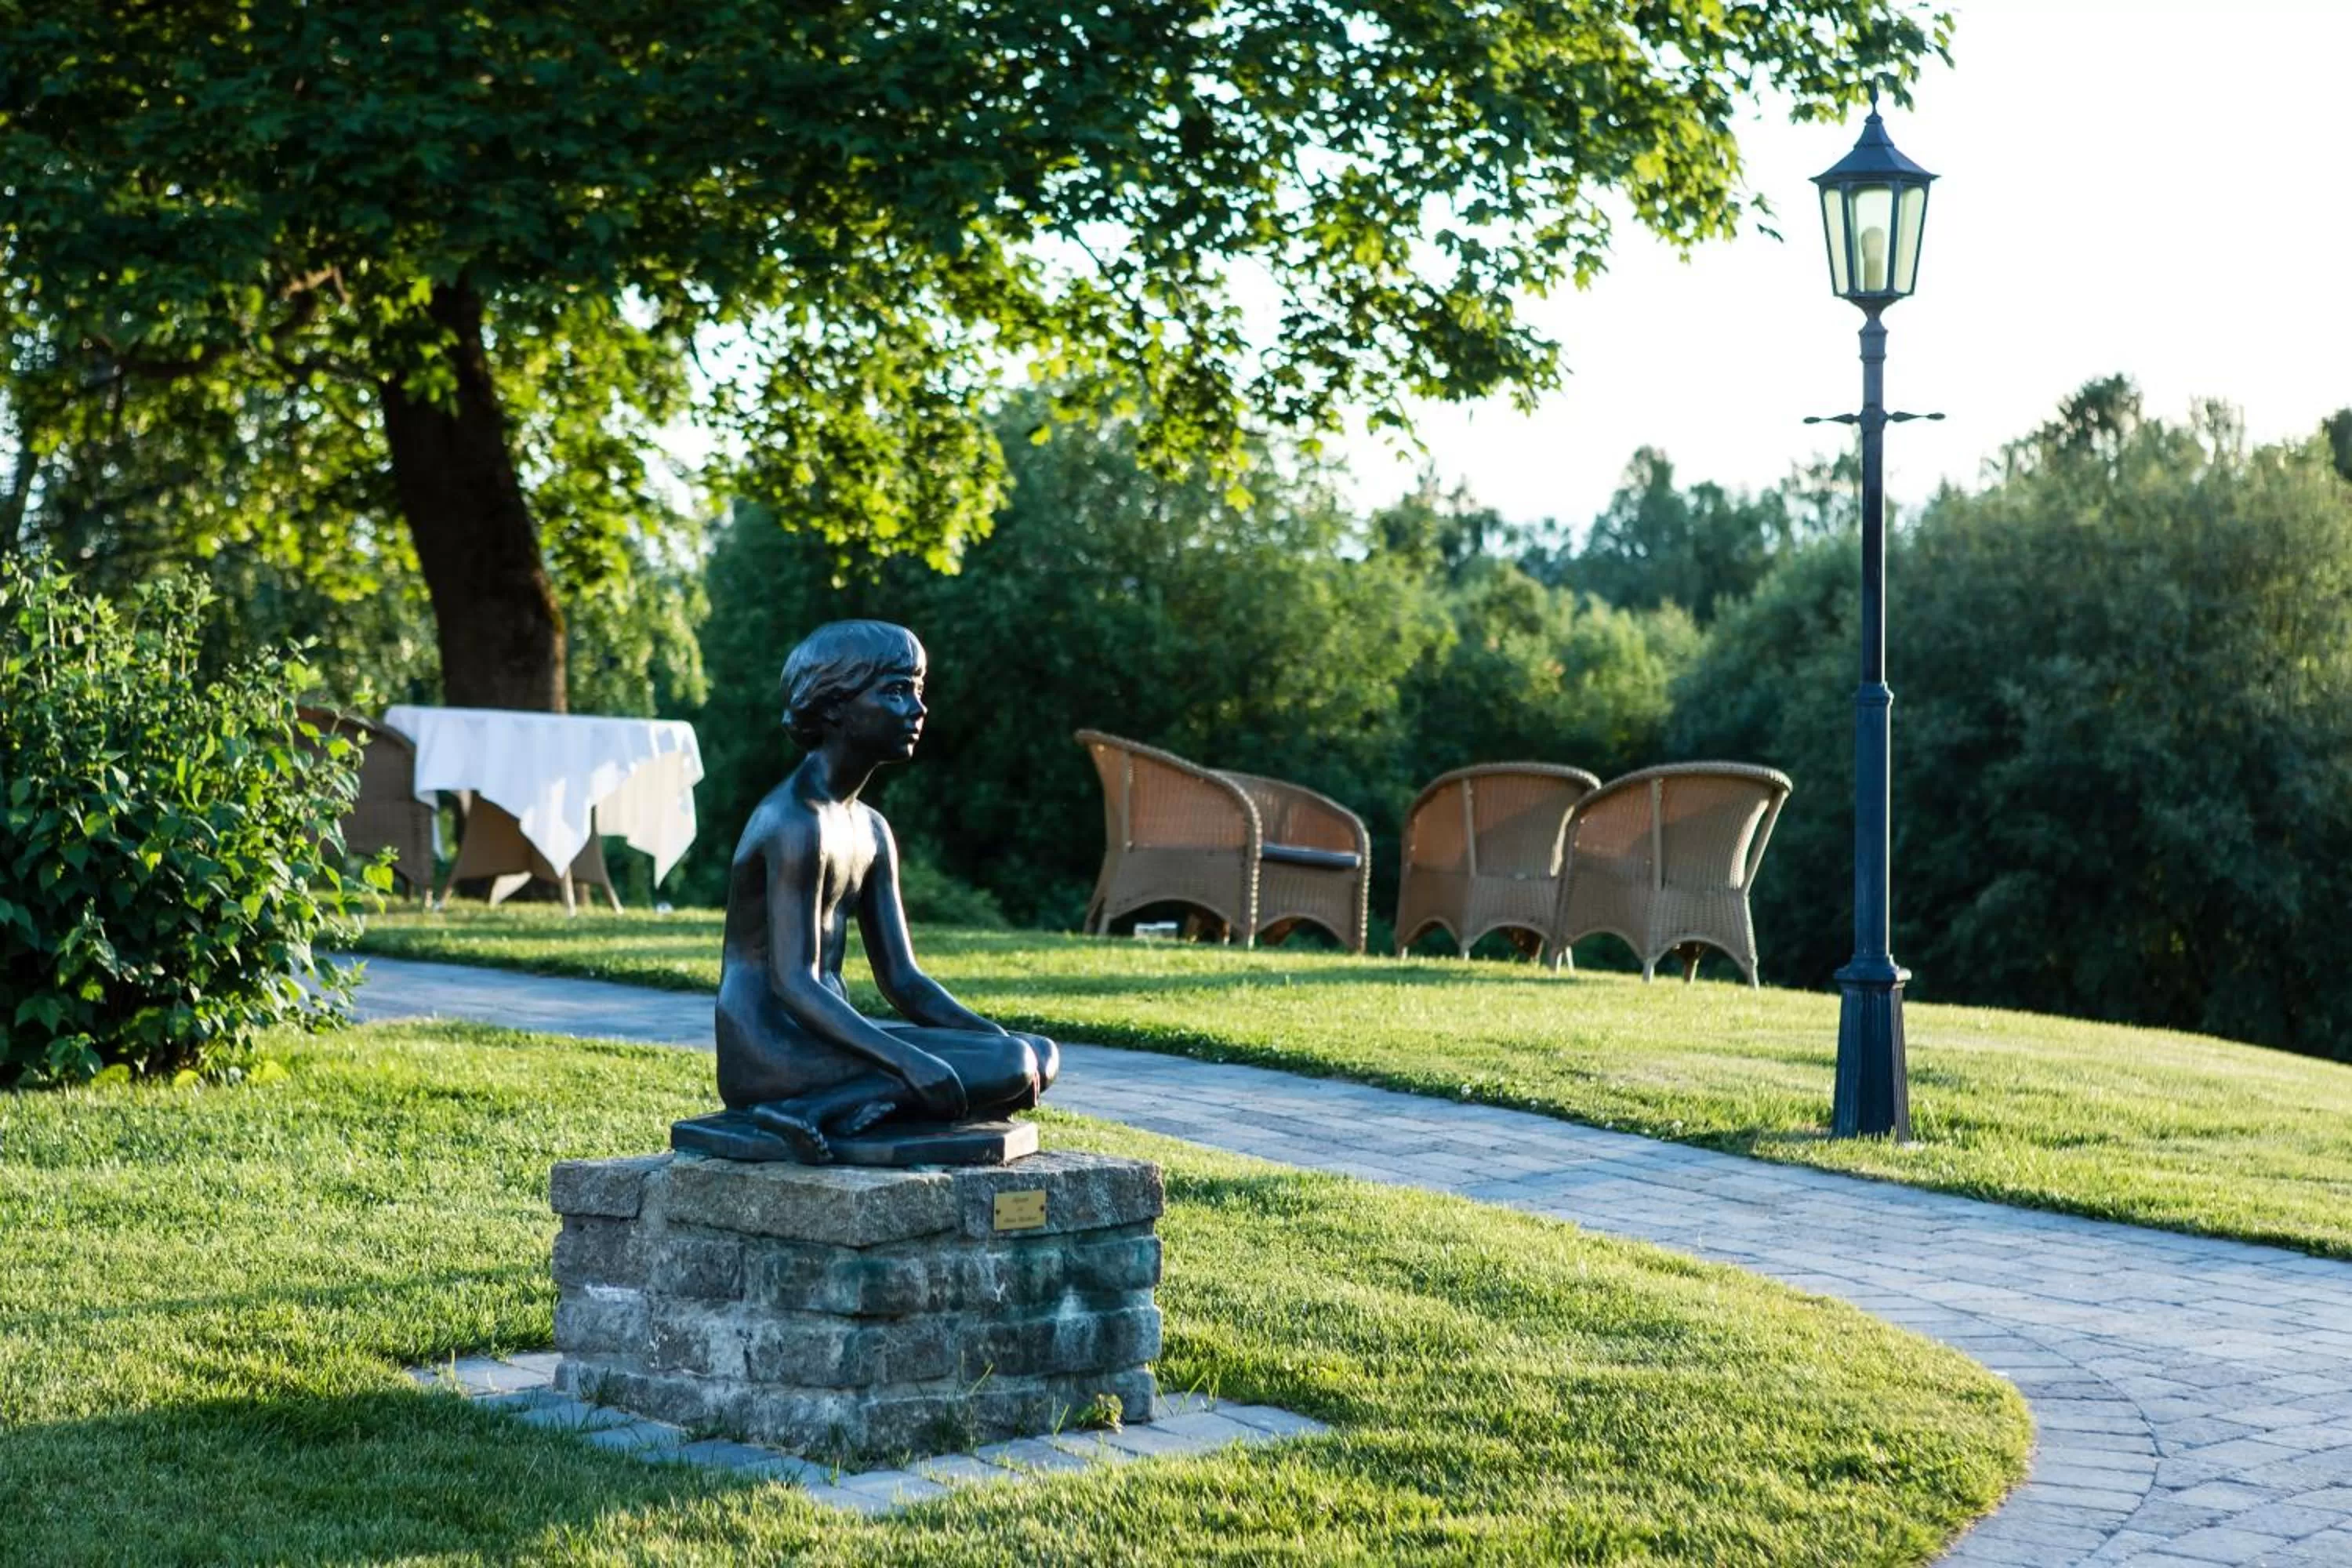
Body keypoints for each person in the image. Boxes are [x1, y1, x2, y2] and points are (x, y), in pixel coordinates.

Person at [713, 619, 1058, 1161]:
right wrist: (907, 1061)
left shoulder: (870, 828)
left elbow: (904, 981)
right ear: (832, 705)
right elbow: (793, 983)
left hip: (829, 1043)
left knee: (1036, 1053)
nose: (918, 709)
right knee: (1009, 1066)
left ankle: (824, 1109)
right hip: (770, 1051)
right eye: (897, 690)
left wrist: (989, 1036)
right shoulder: (794, 823)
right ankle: (810, 1105)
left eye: (919, 691)